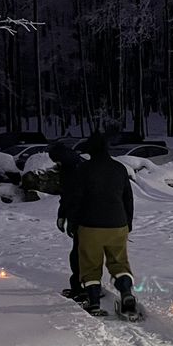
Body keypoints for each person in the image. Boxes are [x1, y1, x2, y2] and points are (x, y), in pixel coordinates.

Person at [73, 131, 136, 317]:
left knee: (90, 266)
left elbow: (76, 199)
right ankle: (126, 294)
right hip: (118, 224)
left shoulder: (83, 169)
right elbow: (128, 199)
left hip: (90, 225)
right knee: (119, 263)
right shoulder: (119, 168)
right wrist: (128, 223)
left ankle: (93, 303)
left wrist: (73, 223)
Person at [48, 141, 85, 302]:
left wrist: (68, 219)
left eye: (55, 161)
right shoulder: (77, 165)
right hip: (85, 215)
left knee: (78, 253)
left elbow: (70, 196)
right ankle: (88, 286)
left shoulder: (71, 171)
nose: (55, 164)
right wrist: (62, 215)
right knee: (82, 252)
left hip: (81, 216)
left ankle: (81, 288)